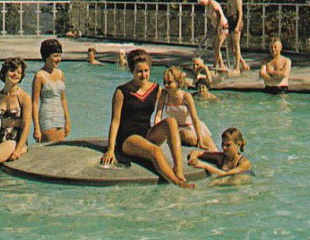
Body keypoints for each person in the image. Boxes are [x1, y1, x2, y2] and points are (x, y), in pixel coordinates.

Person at [100, 49, 194, 188]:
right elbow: (115, 121)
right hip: (128, 138)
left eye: (146, 71)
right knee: (155, 151)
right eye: (139, 71)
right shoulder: (122, 91)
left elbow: (175, 92)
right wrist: (110, 149)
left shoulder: (156, 89)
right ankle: (177, 182)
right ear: (131, 70)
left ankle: (178, 170)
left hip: (147, 133)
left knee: (171, 121)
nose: (144, 75)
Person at [154, 66, 218, 151]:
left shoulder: (186, 96)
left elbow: (195, 119)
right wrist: (156, 132)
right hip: (176, 130)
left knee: (214, 150)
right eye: (164, 82)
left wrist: (201, 141)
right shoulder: (164, 94)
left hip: (191, 127)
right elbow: (158, 115)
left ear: (178, 82)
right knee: (185, 135)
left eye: (169, 82)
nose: (166, 85)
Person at [32, 39, 71, 143]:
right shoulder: (39, 76)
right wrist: (36, 128)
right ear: (46, 56)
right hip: (47, 118)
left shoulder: (60, 73)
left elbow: (63, 99)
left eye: (59, 55)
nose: (58, 59)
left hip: (60, 118)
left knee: (60, 152)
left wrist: (67, 121)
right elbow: (35, 103)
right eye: (55, 56)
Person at [187, 127, 252, 177]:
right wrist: (193, 158)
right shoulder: (220, 157)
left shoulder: (244, 163)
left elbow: (225, 174)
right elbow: (196, 152)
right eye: (223, 144)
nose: (224, 147)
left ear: (238, 144)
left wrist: (205, 166)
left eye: (228, 145)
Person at [197, 0, 229, 71]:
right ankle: (221, 64)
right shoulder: (207, 6)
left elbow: (219, 15)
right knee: (215, 46)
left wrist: (217, 27)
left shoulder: (212, 3)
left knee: (217, 46)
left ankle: (216, 64)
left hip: (223, 27)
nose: (201, 4)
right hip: (216, 27)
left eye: (201, 3)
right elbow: (211, 19)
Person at [223, 0, 249, 72]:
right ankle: (243, 63)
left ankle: (237, 66)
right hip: (231, 21)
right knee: (230, 46)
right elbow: (228, 12)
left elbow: (240, 12)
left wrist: (237, 26)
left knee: (236, 45)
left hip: (236, 20)